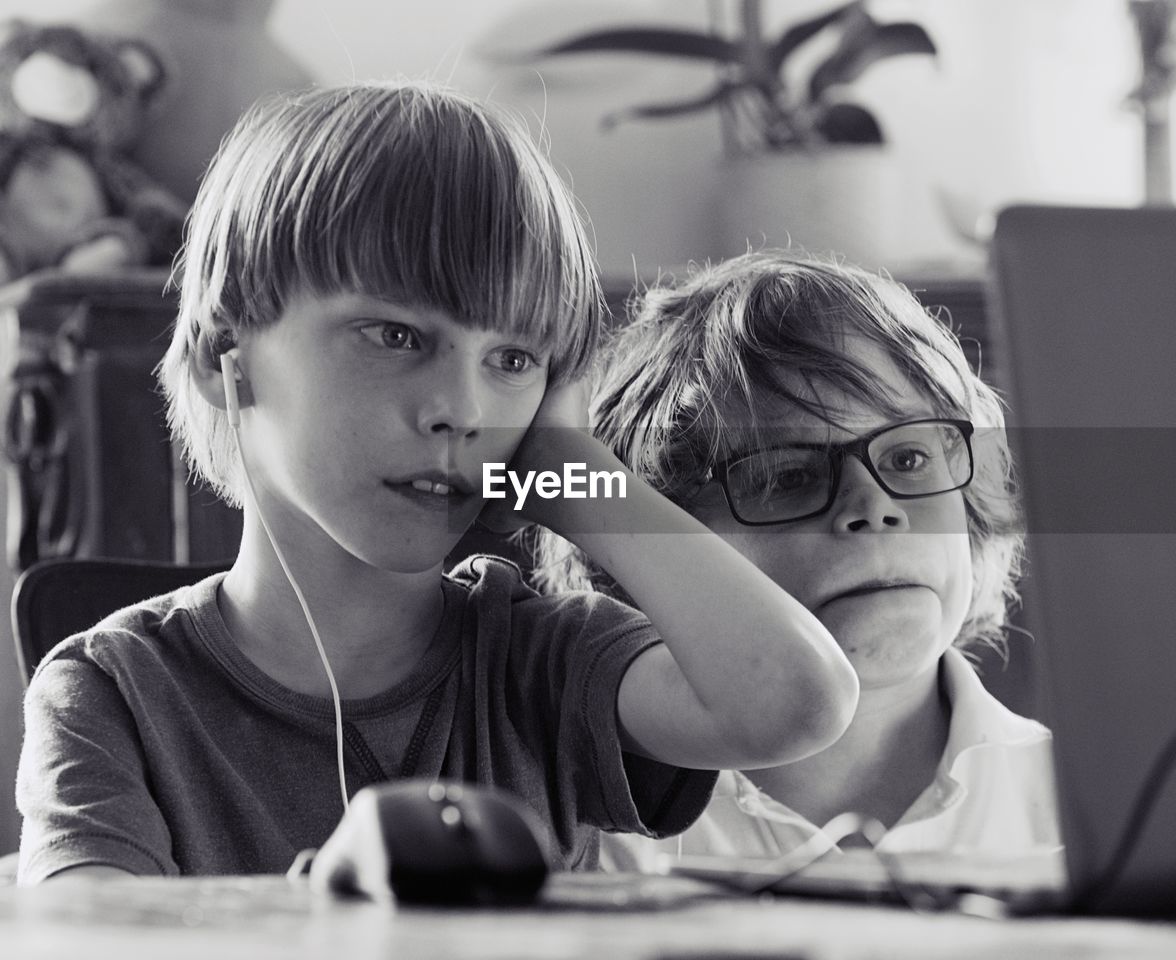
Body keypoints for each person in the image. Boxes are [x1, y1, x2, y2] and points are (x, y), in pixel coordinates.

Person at [14, 86, 859, 891]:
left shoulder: (541, 661)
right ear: (220, 358)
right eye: (395, 335)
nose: (461, 409)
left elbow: (798, 705)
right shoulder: (109, 692)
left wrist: (580, 477)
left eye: (513, 360)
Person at [532, 251, 1061, 870]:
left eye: (910, 458)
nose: (874, 506)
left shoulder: (1084, 804)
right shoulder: (586, 833)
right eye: (788, 476)